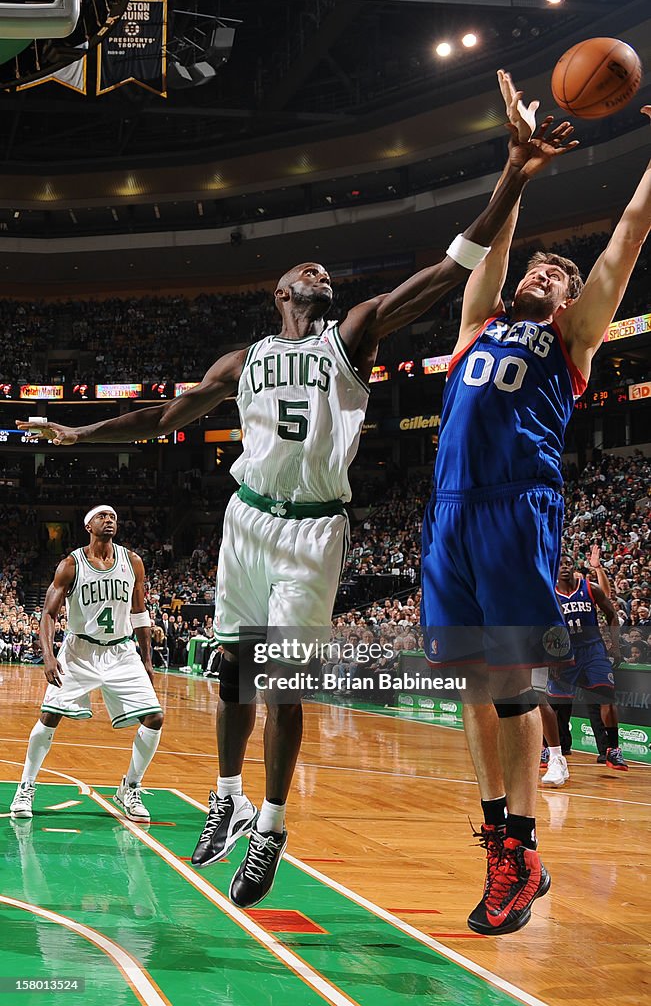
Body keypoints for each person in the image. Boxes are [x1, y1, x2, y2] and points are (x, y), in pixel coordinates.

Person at [18, 88, 576, 908]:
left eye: (326, 269)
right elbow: (162, 415)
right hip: (245, 521)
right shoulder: (240, 360)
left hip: (313, 531)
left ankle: (272, 824)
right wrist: (81, 434)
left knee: (280, 683)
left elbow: (446, 270)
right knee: (229, 675)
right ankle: (228, 796)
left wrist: (511, 176)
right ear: (280, 289)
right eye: (306, 267)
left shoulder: (349, 334)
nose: (319, 268)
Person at [421, 71, 650, 934]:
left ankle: (516, 851)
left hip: (516, 509)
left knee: (510, 686)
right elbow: (491, 255)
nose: (545, 273)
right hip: (448, 512)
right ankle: (501, 843)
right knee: (473, 691)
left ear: (566, 300)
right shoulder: (477, 324)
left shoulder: (572, 337)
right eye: (541, 267)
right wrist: (515, 164)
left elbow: (627, 236)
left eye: (558, 272)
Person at [10, 506, 163, 823]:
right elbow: (49, 615)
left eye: (114, 518)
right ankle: (25, 786)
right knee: (49, 715)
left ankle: (129, 788)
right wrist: (49, 656)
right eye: (103, 517)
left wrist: (147, 660)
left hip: (121, 651)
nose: (110, 520)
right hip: (79, 651)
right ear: (88, 526)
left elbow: (139, 612)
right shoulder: (71, 564)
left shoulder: (132, 562)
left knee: (155, 717)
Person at [549, 555, 627, 771]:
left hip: (593, 651)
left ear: (574, 567)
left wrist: (615, 646)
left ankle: (613, 750)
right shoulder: (550, 593)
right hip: (565, 654)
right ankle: (551, 750)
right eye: (560, 564)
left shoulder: (590, 588)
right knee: (554, 706)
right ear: (554, 569)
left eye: (568, 563)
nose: (564, 567)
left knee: (606, 697)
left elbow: (611, 614)